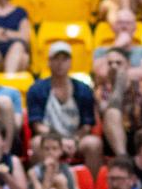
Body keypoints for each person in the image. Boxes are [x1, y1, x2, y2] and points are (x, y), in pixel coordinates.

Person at [26, 42, 101, 172]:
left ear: (71, 62)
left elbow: (87, 125)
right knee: (36, 143)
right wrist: (59, 141)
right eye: (56, 58)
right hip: (48, 139)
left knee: (93, 143)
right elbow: (37, 125)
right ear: (49, 62)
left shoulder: (83, 90)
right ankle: (39, 185)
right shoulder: (36, 89)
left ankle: (92, 188)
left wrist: (74, 140)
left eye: (64, 59)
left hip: (76, 139)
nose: (60, 63)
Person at [95, 47, 142, 160]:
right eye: (110, 63)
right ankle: (123, 160)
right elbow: (106, 113)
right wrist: (118, 86)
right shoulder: (100, 91)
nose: (114, 66)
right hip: (112, 139)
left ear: (128, 64)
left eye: (118, 63)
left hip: (140, 135)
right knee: (112, 113)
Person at [92, 9, 142, 84]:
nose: (124, 26)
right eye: (120, 22)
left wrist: (113, 74)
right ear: (113, 27)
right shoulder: (100, 51)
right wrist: (116, 46)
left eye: (128, 23)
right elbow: (100, 72)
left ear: (135, 27)